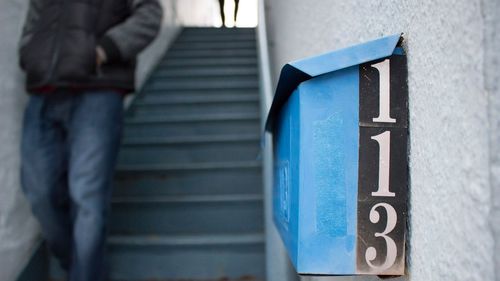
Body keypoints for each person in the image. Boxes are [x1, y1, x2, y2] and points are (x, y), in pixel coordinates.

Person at [18, 0, 163, 280]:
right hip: (44, 91)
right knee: (39, 193)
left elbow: (150, 12)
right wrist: (31, 54)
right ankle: (82, 266)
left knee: (87, 194)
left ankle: (84, 273)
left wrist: (102, 51)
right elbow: (32, 23)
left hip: (98, 88)